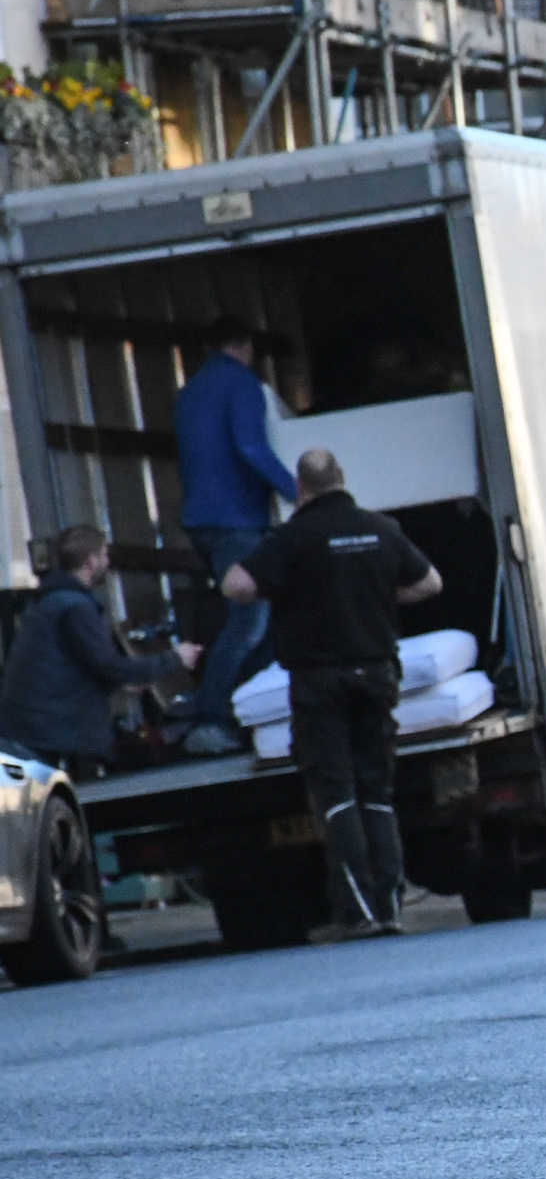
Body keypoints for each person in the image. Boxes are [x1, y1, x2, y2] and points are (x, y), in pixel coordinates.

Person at [224, 449, 441, 940]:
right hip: (377, 673)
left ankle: (357, 911)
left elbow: (236, 584)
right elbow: (430, 582)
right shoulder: (381, 528)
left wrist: (292, 592)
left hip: (321, 680)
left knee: (337, 792)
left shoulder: (295, 536)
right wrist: (379, 594)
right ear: (343, 479)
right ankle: (389, 906)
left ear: (301, 487)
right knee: (378, 790)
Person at [175, 316, 298, 757]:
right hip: (237, 521)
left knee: (261, 623)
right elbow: (251, 446)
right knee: (248, 623)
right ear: (244, 345)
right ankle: (210, 718)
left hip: (205, 524)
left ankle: (251, 712)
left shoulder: (190, 392)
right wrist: (296, 490)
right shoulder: (242, 384)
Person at [0, 526, 202, 779]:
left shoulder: (48, 602)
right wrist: (175, 659)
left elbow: (74, 666)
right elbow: (109, 666)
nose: (108, 562)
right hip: (51, 734)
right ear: (92, 562)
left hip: (33, 729)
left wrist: (120, 681)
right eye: (105, 555)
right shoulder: (74, 607)